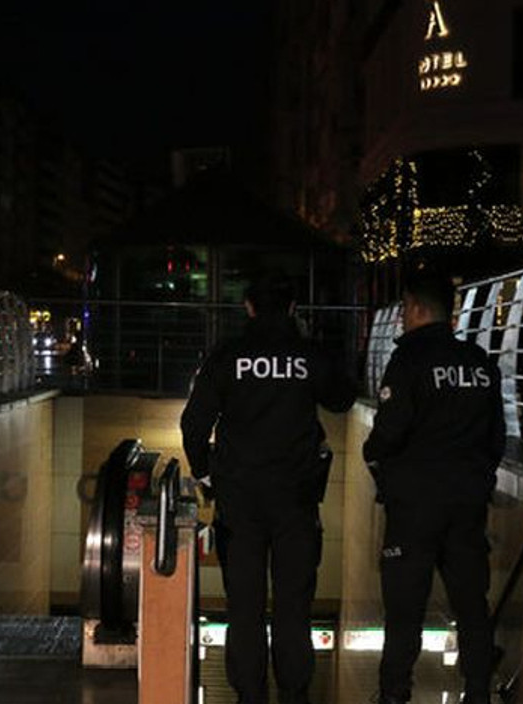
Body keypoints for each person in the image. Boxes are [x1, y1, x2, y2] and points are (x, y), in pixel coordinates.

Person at [181, 273, 355, 704]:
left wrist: (206, 475)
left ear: (249, 308)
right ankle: (294, 692)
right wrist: (315, 348)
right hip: (296, 501)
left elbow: (194, 424)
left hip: (239, 502)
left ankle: (249, 694)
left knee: (244, 606)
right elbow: (342, 398)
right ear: (293, 309)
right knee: (294, 603)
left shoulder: (228, 356)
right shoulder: (307, 355)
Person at [362, 269, 505, 704]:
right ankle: (478, 688)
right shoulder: (479, 363)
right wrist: (477, 479)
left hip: (414, 505)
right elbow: (495, 437)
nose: (402, 317)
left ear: (418, 308)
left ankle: (394, 693)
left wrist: (375, 457)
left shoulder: (409, 361)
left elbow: (389, 432)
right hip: (467, 503)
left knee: (405, 607)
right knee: (471, 601)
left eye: (404, 308)